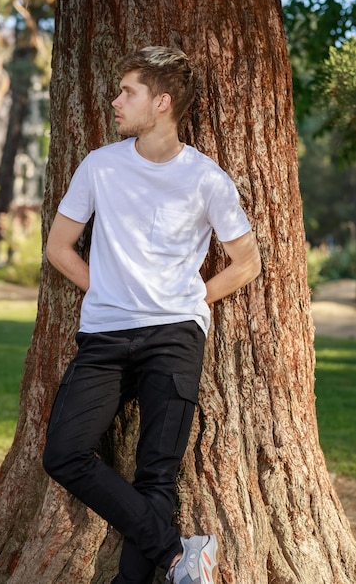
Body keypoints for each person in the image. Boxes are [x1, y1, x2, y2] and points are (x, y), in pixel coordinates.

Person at [43, 46, 261, 584]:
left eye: (128, 92)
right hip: (106, 334)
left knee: (156, 474)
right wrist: (113, 289)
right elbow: (59, 248)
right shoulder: (101, 165)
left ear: (161, 103)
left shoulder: (207, 179)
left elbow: (246, 263)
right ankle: (178, 554)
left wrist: (188, 299)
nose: (115, 102)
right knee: (64, 455)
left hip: (174, 336)